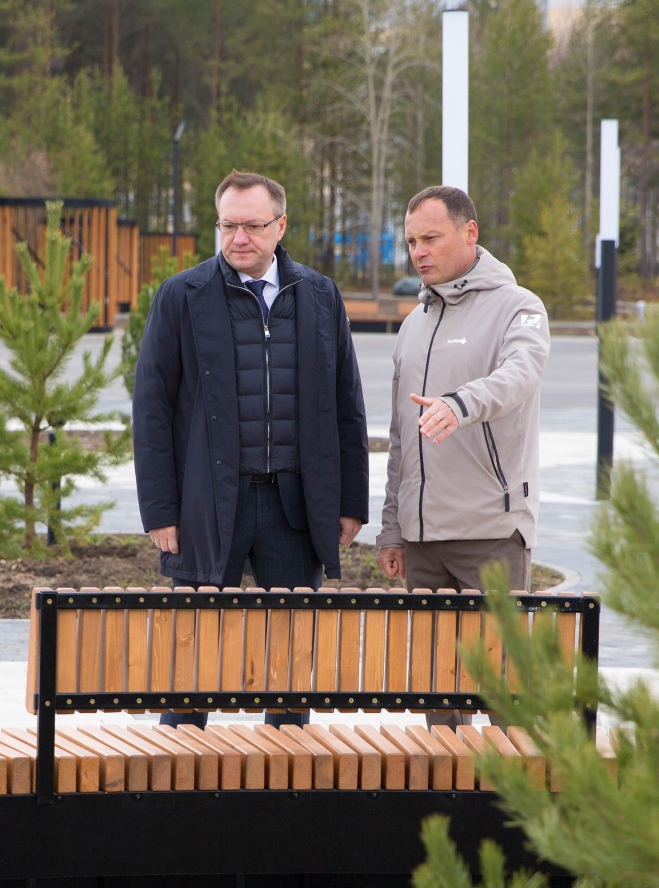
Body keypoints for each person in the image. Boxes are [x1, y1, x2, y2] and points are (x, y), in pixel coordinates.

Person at [133, 170, 369, 727]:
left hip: (292, 508)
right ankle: (178, 770)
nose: (239, 238)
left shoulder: (319, 296)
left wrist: (350, 504)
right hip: (208, 504)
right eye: (228, 225)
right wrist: (161, 512)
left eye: (253, 226)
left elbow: (347, 405)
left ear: (280, 226)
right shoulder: (181, 296)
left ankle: (285, 774)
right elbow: (151, 411)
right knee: (191, 667)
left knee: (290, 671)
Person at [378, 186, 550, 724]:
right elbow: (402, 439)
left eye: (431, 238)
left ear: (470, 232)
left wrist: (460, 404)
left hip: (490, 533)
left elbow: (519, 375)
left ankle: (508, 784)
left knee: (504, 702)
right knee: (439, 708)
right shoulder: (414, 324)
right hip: (423, 542)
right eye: (411, 241)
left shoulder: (519, 307)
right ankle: (446, 783)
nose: (419, 252)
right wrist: (392, 528)